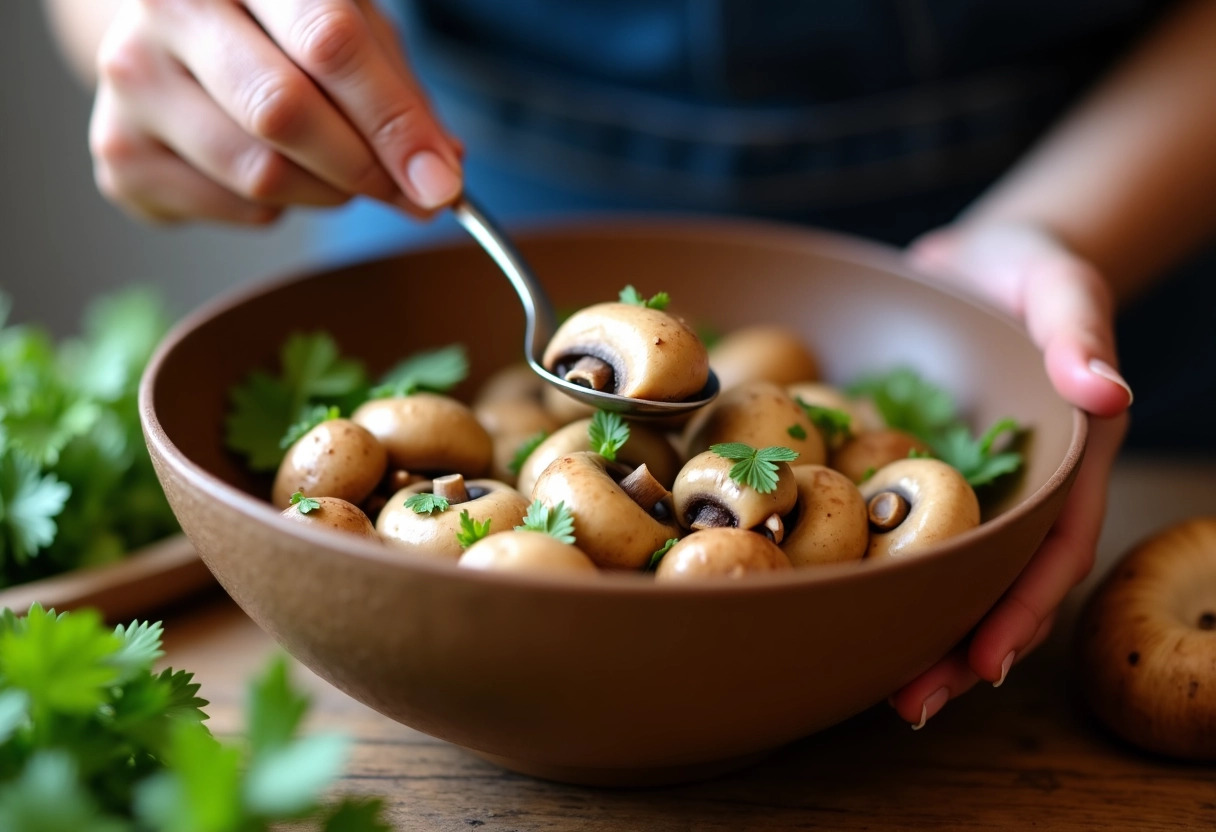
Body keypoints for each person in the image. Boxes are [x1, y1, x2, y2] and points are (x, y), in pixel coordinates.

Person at [43, 0, 1216, 730]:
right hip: (439, 191)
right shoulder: (472, 471)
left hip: (1093, 207)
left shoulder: (792, 458)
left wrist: (1067, 235)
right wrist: (168, 41)